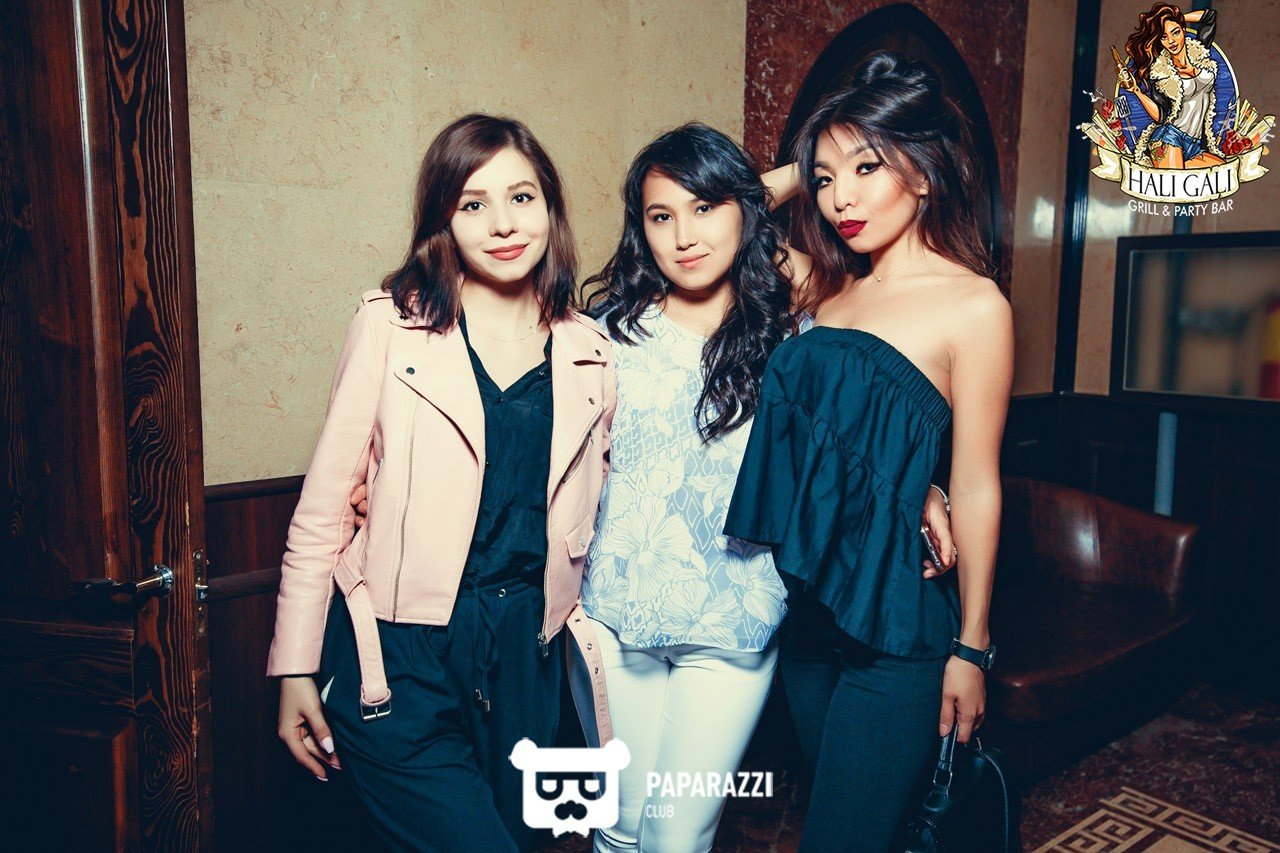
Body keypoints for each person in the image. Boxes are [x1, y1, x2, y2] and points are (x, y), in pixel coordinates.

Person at [571, 123, 955, 853]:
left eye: (706, 207)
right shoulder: (603, 334)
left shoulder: (796, 326)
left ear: (745, 212)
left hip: (734, 619)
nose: (685, 236)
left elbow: (858, 439)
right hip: (612, 613)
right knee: (618, 828)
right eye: (661, 216)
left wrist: (923, 487)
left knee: (677, 834)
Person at [266, 114, 616, 852]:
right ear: (444, 220)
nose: (502, 224)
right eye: (473, 203)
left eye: (522, 197)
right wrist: (295, 667)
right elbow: (324, 508)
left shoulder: (592, 350)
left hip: (528, 654)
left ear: (551, 207)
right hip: (399, 653)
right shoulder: (389, 325)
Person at [724, 52, 1012, 852]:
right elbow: (722, 213)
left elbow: (977, 484)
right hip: (811, 619)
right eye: (824, 180)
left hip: (899, 629)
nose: (839, 198)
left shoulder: (974, 305)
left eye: (866, 167)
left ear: (922, 173)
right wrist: (810, 155)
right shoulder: (825, 284)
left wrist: (972, 647)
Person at [1117, 4, 1224, 169]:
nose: (1171, 41)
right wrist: (1136, 91)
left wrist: (1178, 18)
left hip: (1195, 145)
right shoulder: (1161, 74)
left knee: (1222, 169)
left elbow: (1209, 17)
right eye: (1164, 36)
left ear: (1183, 30)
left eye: (1175, 32)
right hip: (1169, 137)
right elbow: (1160, 116)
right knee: (1174, 181)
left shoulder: (1200, 51)